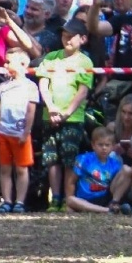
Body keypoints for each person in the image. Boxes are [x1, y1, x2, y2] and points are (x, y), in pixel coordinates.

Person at [36, 19, 96, 211]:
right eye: (64, 35)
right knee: (52, 159)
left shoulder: (85, 61)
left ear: (83, 39)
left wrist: (66, 112)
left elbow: (83, 91)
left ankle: (68, 200)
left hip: (73, 118)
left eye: (71, 36)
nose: (67, 39)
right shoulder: (51, 57)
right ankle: (55, 199)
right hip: (49, 115)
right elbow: (43, 84)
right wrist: (51, 107)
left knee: (69, 160)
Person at [0, 49, 41, 212]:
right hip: (3, 132)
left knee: (21, 168)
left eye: (9, 62)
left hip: (20, 135)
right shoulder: (4, 86)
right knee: (5, 168)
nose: (5, 65)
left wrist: (26, 132)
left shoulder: (30, 87)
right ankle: (7, 201)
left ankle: (20, 201)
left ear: (23, 64)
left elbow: (31, 111)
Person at [65, 126, 132, 213]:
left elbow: (121, 186)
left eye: (107, 145)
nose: (104, 148)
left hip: (104, 198)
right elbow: (71, 181)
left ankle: (113, 204)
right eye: (100, 145)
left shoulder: (115, 164)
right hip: (84, 199)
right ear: (93, 145)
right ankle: (108, 210)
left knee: (126, 169)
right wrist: (69, 200)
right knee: (70, 200)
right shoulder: (84, 159)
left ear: (113, 147)